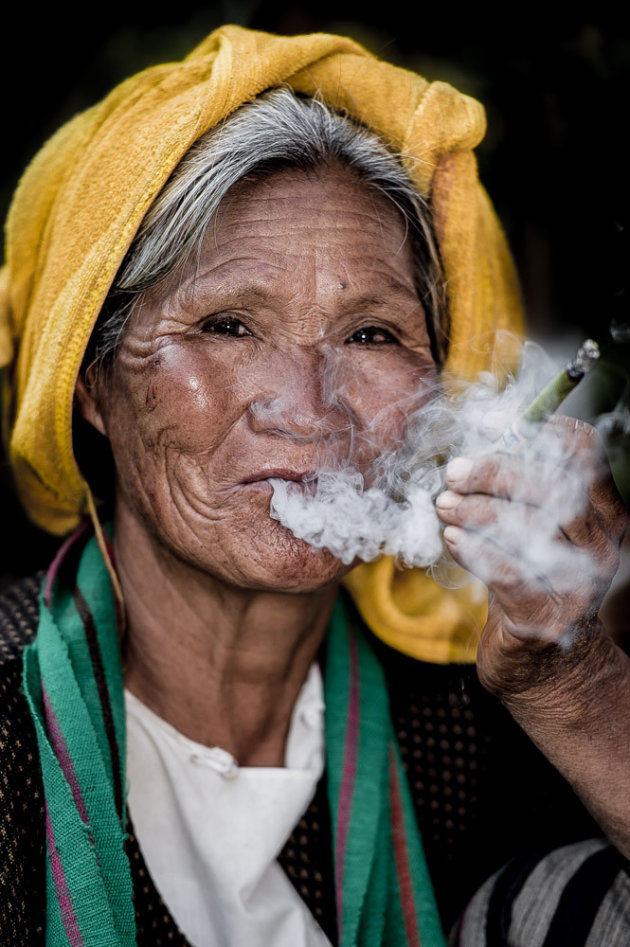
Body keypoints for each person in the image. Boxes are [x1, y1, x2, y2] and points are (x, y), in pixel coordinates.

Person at [0, 24, 628, 947]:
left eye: (371, 335)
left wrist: (578, 689)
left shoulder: (480, 733)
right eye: (227, 325)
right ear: (93, 384)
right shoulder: (13, 732)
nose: (308, 409)